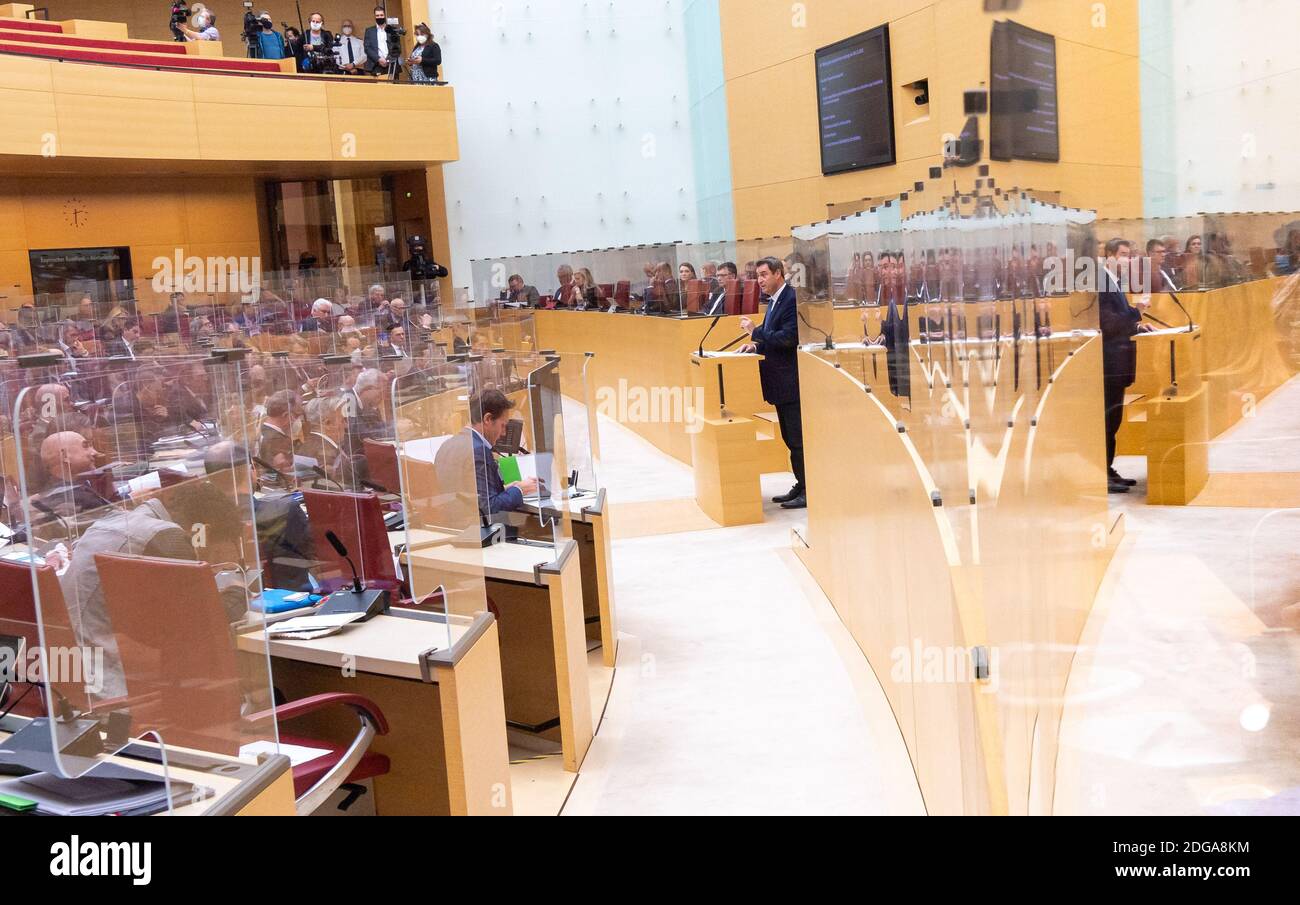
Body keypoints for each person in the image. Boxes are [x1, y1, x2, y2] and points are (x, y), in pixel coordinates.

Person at [739, 257, 804, 509]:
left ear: (779, 273)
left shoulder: (790, 299)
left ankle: (808, 490)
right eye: (758, 275)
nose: (760, 280)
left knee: (797, 440)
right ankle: (801, 483)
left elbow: (789, 337)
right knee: (790, 439)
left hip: (791, 382)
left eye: (764, 274)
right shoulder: (775, 301)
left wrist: (756, 332)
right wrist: (755, 344)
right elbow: (773, 337)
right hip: (779, 383)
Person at [434, 389, 539, 524]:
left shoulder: (447, 445)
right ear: (488, 419)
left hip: (456, 527)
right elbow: (489, 507)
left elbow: (469, 493)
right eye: (503, 426)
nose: (503, 433)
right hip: (481, 534)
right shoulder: (479, 451)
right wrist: (520, 490)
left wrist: (507, 489)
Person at [1099, 239, 1154, 494]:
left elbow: (1120, 324)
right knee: (1107, 421)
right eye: (1123, 255)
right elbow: (1108, 324)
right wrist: (1137, 311)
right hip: (1108, 363)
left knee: (1115, 420)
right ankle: (1101, 472)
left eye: (1130, 256)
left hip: (1119, 362)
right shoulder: (1101, 282)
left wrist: (1136, 326)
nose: (1128, 260)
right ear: (1109, 255)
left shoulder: (1112, 281)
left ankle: (1108, 468)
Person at [364, 5, 397, 77]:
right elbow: (367, 48)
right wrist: (379, 59)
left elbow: (397, 47)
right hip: (375, 65)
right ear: (374, 16)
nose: (379, 17)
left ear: (385, 15)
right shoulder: (369, 31)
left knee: (393, 87)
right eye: (377, 15)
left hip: (391, 65)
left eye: (381, 15)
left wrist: (388, 60)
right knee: (378, 87)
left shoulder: (393, 30)